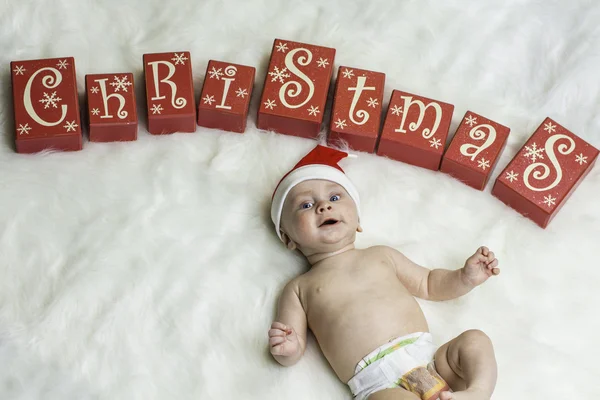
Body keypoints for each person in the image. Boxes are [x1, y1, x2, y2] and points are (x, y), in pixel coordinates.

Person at [267, 145, 500, 400]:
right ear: (288, 238)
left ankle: (476, 392)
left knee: (474, 340)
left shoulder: (380, 255)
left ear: (357, 221)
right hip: (378, 384)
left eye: (334, 198)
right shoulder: (298, 289)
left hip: (430, 359)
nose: (323, 206)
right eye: (306, 205)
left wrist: (464, 278)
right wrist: (287, 349)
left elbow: (430, 284)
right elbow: (295, 345)